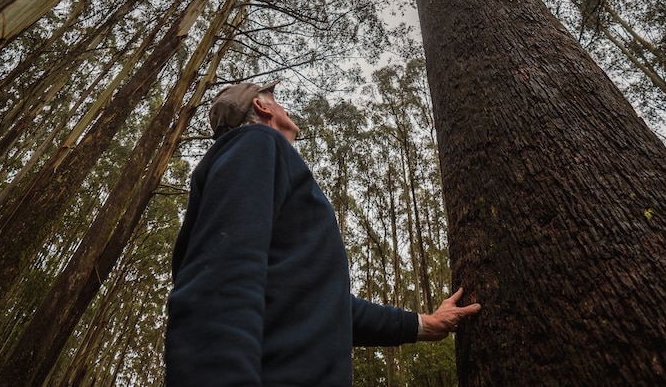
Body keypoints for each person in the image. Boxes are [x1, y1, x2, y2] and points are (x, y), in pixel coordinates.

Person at [165, 80, 481, 386]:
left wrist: (425, 325)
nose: (286, 108)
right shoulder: (257, 142)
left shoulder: (263, 161)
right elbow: (220, 276)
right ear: (262, 107)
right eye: (276, 100)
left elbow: (323, 304)